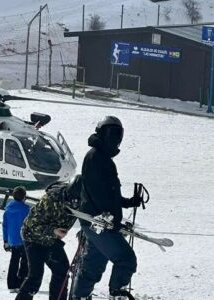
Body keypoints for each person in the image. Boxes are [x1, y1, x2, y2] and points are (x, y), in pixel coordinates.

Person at [71, 116, 142, 300]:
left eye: (117, 134)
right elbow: (97, 192)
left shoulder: (101, 157)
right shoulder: (96, 157)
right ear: (101, 133)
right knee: (126, 259)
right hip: (99, 222)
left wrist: (127, 202)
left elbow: (108, 192)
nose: (114, 138)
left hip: (97, 221)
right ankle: (117, 294)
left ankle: (79, 297)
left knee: (93, 265)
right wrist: (110, 217)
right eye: (110, 133)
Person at [16, 176, 83, 300]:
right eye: (71, 201)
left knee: (62, 271)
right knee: (35, 276)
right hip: (32, 237)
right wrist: (53, 231)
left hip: (51, 240)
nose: (74, 204)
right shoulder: (51, 199)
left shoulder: (83, 199)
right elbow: (32, 225)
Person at [2, 186, 30, 293]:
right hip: (24, 240)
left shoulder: (8, 209)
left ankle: (11, 284)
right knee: (24, 262)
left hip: (12, 240)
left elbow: (5, 226)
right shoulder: (27, 210)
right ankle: (21, 283)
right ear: (24, 197)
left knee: (14, 261)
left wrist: (5, 241)